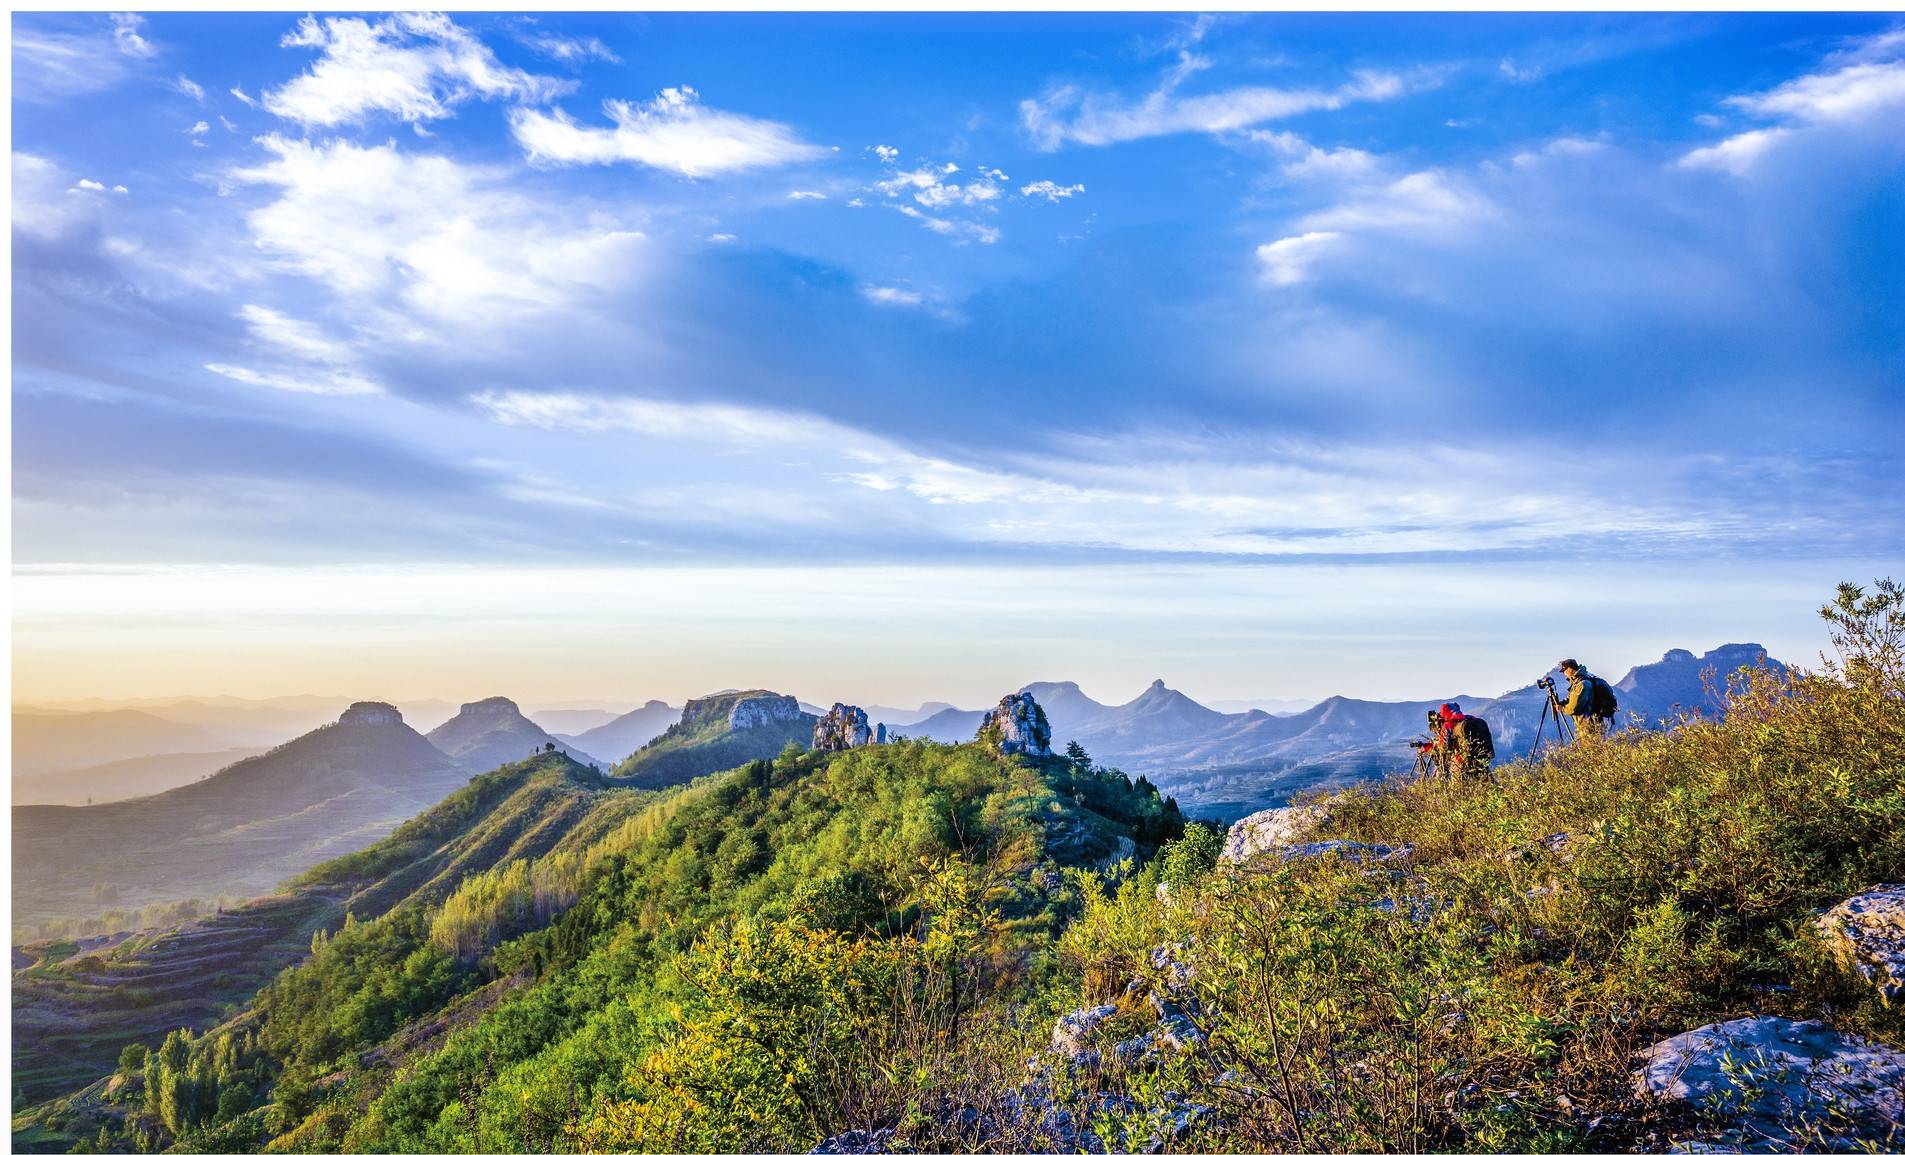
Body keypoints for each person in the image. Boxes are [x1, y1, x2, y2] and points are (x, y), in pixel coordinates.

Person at [1557, 658, 1618, 740]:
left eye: (1564, 671)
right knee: (1599, 746)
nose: (1564, 674)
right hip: (1597, 721)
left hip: (1590, 725)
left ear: (1570, 669)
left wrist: (1562, 708)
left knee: (1591, 747)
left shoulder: (1582, 683)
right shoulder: (1584, 679)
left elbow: (1574, 708)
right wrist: (1563, 702)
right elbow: (1573, 697)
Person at [1436, 701, 1495, 778]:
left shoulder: (1447, 725)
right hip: (1481, 757)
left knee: (1459, 783)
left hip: (1461, 762)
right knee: (1486, 780)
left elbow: (1444, 748)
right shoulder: (1470, 718)